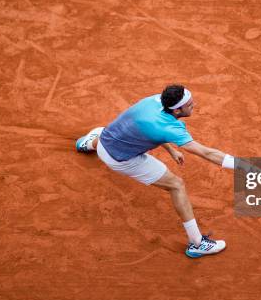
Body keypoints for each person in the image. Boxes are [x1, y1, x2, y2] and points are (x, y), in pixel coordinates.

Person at [75, 84, 237, 258]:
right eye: (189, 105)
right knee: (176, 185)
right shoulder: (171, 128)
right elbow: (208, 153)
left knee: (111, 132)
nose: (194, 105)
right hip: (121, 160)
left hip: (104, 142)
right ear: (176, 111)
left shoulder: (153, 101)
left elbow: (155, 129)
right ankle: (197, 244)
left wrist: (172, 150)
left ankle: (85, 144)